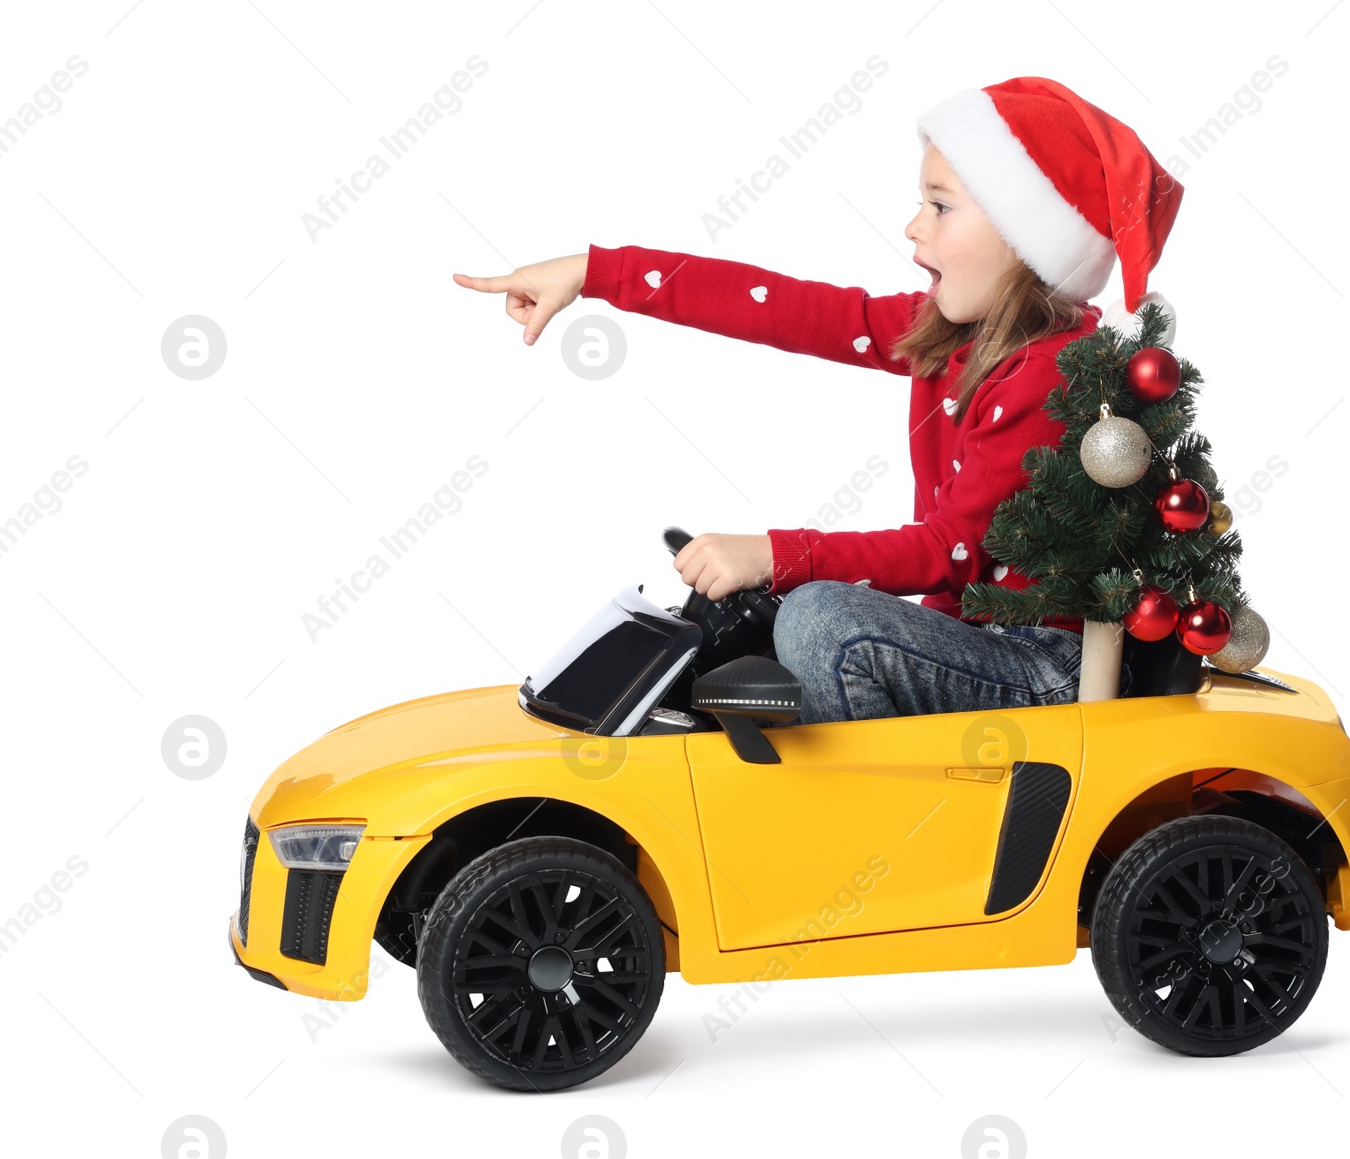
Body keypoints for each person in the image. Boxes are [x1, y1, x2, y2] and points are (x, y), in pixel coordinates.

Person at [453, 76, 1182, 724]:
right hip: (974, 642)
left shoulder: (1049, 373)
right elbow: (780, 307)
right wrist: (597, 273)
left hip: (1040, 669)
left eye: (939, 206)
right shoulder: (955, 331)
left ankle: (883, 846)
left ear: (1024, 236)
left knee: (823, 621)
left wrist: (776, 554)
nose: (912, 226)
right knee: (768, 627)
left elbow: (948, 553)